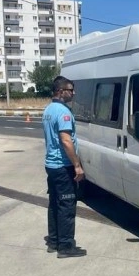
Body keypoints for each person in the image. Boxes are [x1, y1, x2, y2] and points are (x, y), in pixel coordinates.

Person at [42, 75, 86, 258]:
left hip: (51, 165)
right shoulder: (63, 112)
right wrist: (77, 165)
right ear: (60, 91)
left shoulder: (49, 109)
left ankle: (53, 241)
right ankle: (66, 246)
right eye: (70, 90)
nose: (73, 93)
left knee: (54, 204)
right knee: (67, 205)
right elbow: (66, 141)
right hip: (63, 166)